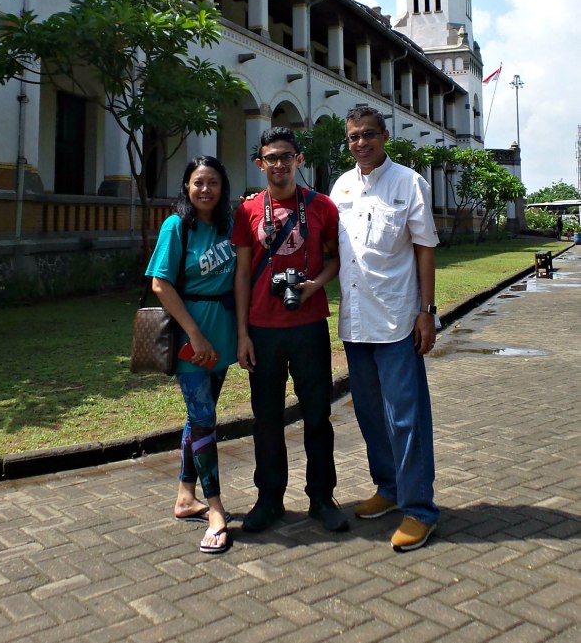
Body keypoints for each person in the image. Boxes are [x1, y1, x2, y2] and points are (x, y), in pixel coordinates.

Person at [329, 106, 440, 552]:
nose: (361, 143)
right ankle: (389, 488)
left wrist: (427, 311)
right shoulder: (341, 186)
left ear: (385, 136)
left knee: (407, 419)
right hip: (356, 324)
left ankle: (420, 509)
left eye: (369, 134)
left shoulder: (409, 183)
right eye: (354, 136)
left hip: (397, 321)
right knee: (371, 415)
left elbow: (425, 248)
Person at [232, 126, 348, 534]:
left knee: (317, 414)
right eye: (271, 158)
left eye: (286, 156)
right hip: (263, 328)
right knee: (266, 418)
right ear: (259, 164)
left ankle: (321, 497)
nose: (279, 164)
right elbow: (243, 273)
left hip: (309, 325)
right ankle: (269, 498)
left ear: (299, 160)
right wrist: (242, 333)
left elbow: (334, 260)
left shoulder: (322, 207)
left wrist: (316, 284)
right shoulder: (247, 211)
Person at [146, 155, 237, 555]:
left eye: (213, 182)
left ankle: (186, 498)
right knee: (204, 421)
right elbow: (160, 285)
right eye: (198, 182)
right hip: (191, 339)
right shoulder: (176, 226)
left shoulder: (228, 225)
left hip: (222, 334)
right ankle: (215, 509)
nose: (205, 189)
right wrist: (195, 335)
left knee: (197, 420)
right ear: (186, 186)